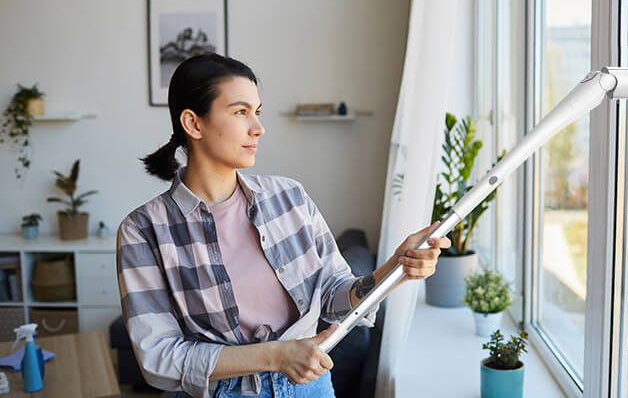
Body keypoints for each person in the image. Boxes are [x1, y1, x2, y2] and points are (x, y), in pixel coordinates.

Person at [116, 53, 451, 398]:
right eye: (240, 112)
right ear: (193, 123)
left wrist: (394, 269)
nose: (258, 128)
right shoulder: (144, 230)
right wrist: (276, 356)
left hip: (311, 387)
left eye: (257, 112)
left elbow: (333, 294)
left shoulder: (289, 197)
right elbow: (158, 359)